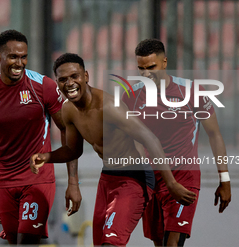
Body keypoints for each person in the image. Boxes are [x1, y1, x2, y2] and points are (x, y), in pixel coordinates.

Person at [30, 53, 197, 246]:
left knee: (112, 243)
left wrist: (171, 184)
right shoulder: (68, 110)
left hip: (134, 177)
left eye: (74, 76)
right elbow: (73, 151)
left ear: (86, 76)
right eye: (63, 79)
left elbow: (150, 139)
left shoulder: (108, 107)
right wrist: (47, 157)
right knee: (101, 244)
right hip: (107, 178)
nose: (69, 83)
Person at [0, 30, 81, 244]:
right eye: (13, 57)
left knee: (27, 241)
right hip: (4, 180)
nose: (19, 63)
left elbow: (68, 130)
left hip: (37, 178)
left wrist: (73, 182)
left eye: (24, 57)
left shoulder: (42, 86)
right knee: (13, 241)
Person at [122, 38, 231, 247]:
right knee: (159, 243)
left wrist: (224, 179)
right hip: (150, 178)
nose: (146, 74)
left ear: (164, 62)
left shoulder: (191, 92)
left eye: (151, 67)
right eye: (141, 69)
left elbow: (215, 135)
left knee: (173, 243)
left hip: (184, 175)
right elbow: (131, 139)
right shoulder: (131, 96)